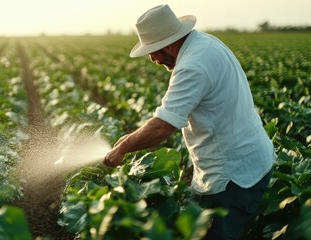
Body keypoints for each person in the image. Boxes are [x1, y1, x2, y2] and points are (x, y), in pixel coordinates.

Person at [102, 4, 275, 240]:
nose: (152, 58)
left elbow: (163, 126)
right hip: (242, 160)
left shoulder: (193, 66)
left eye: (154, 50)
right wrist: (129, 140)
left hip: (234, 175)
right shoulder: (205, 43)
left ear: (170, 43)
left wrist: (123, 148)